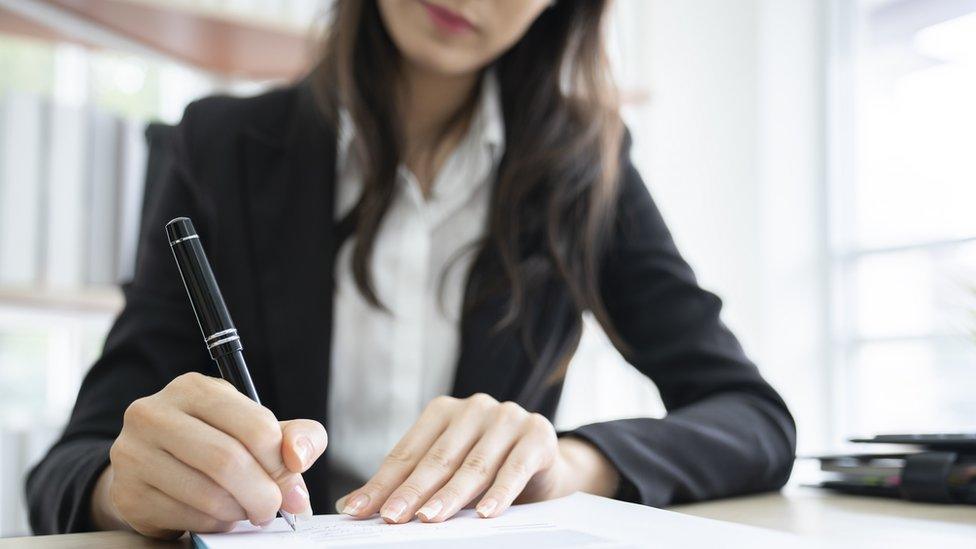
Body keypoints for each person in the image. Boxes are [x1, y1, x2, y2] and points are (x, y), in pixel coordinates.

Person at [27, 0, 796, 539]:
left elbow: (753, 418)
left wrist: (565, 463)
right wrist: (126, 489)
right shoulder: (220, 146)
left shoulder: (584, 167)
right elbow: (71, 467)